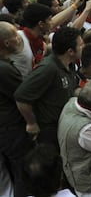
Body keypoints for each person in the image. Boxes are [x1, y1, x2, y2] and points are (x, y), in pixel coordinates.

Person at [15, 27, 83, 148]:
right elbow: (21, 97)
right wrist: (32, 123)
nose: (84, 47)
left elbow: (72, 88)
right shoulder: (48, 68)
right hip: (48, 130)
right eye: (81, 45)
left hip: (62, 124)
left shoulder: (69, 64)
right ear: (70, 51)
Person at [0, 21, 33, 197]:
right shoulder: (4, 69)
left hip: (6, 129)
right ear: (6, 43)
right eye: (14, 36)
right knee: (22, 172)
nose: (18, 39)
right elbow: (22, 95)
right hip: (11, 130)